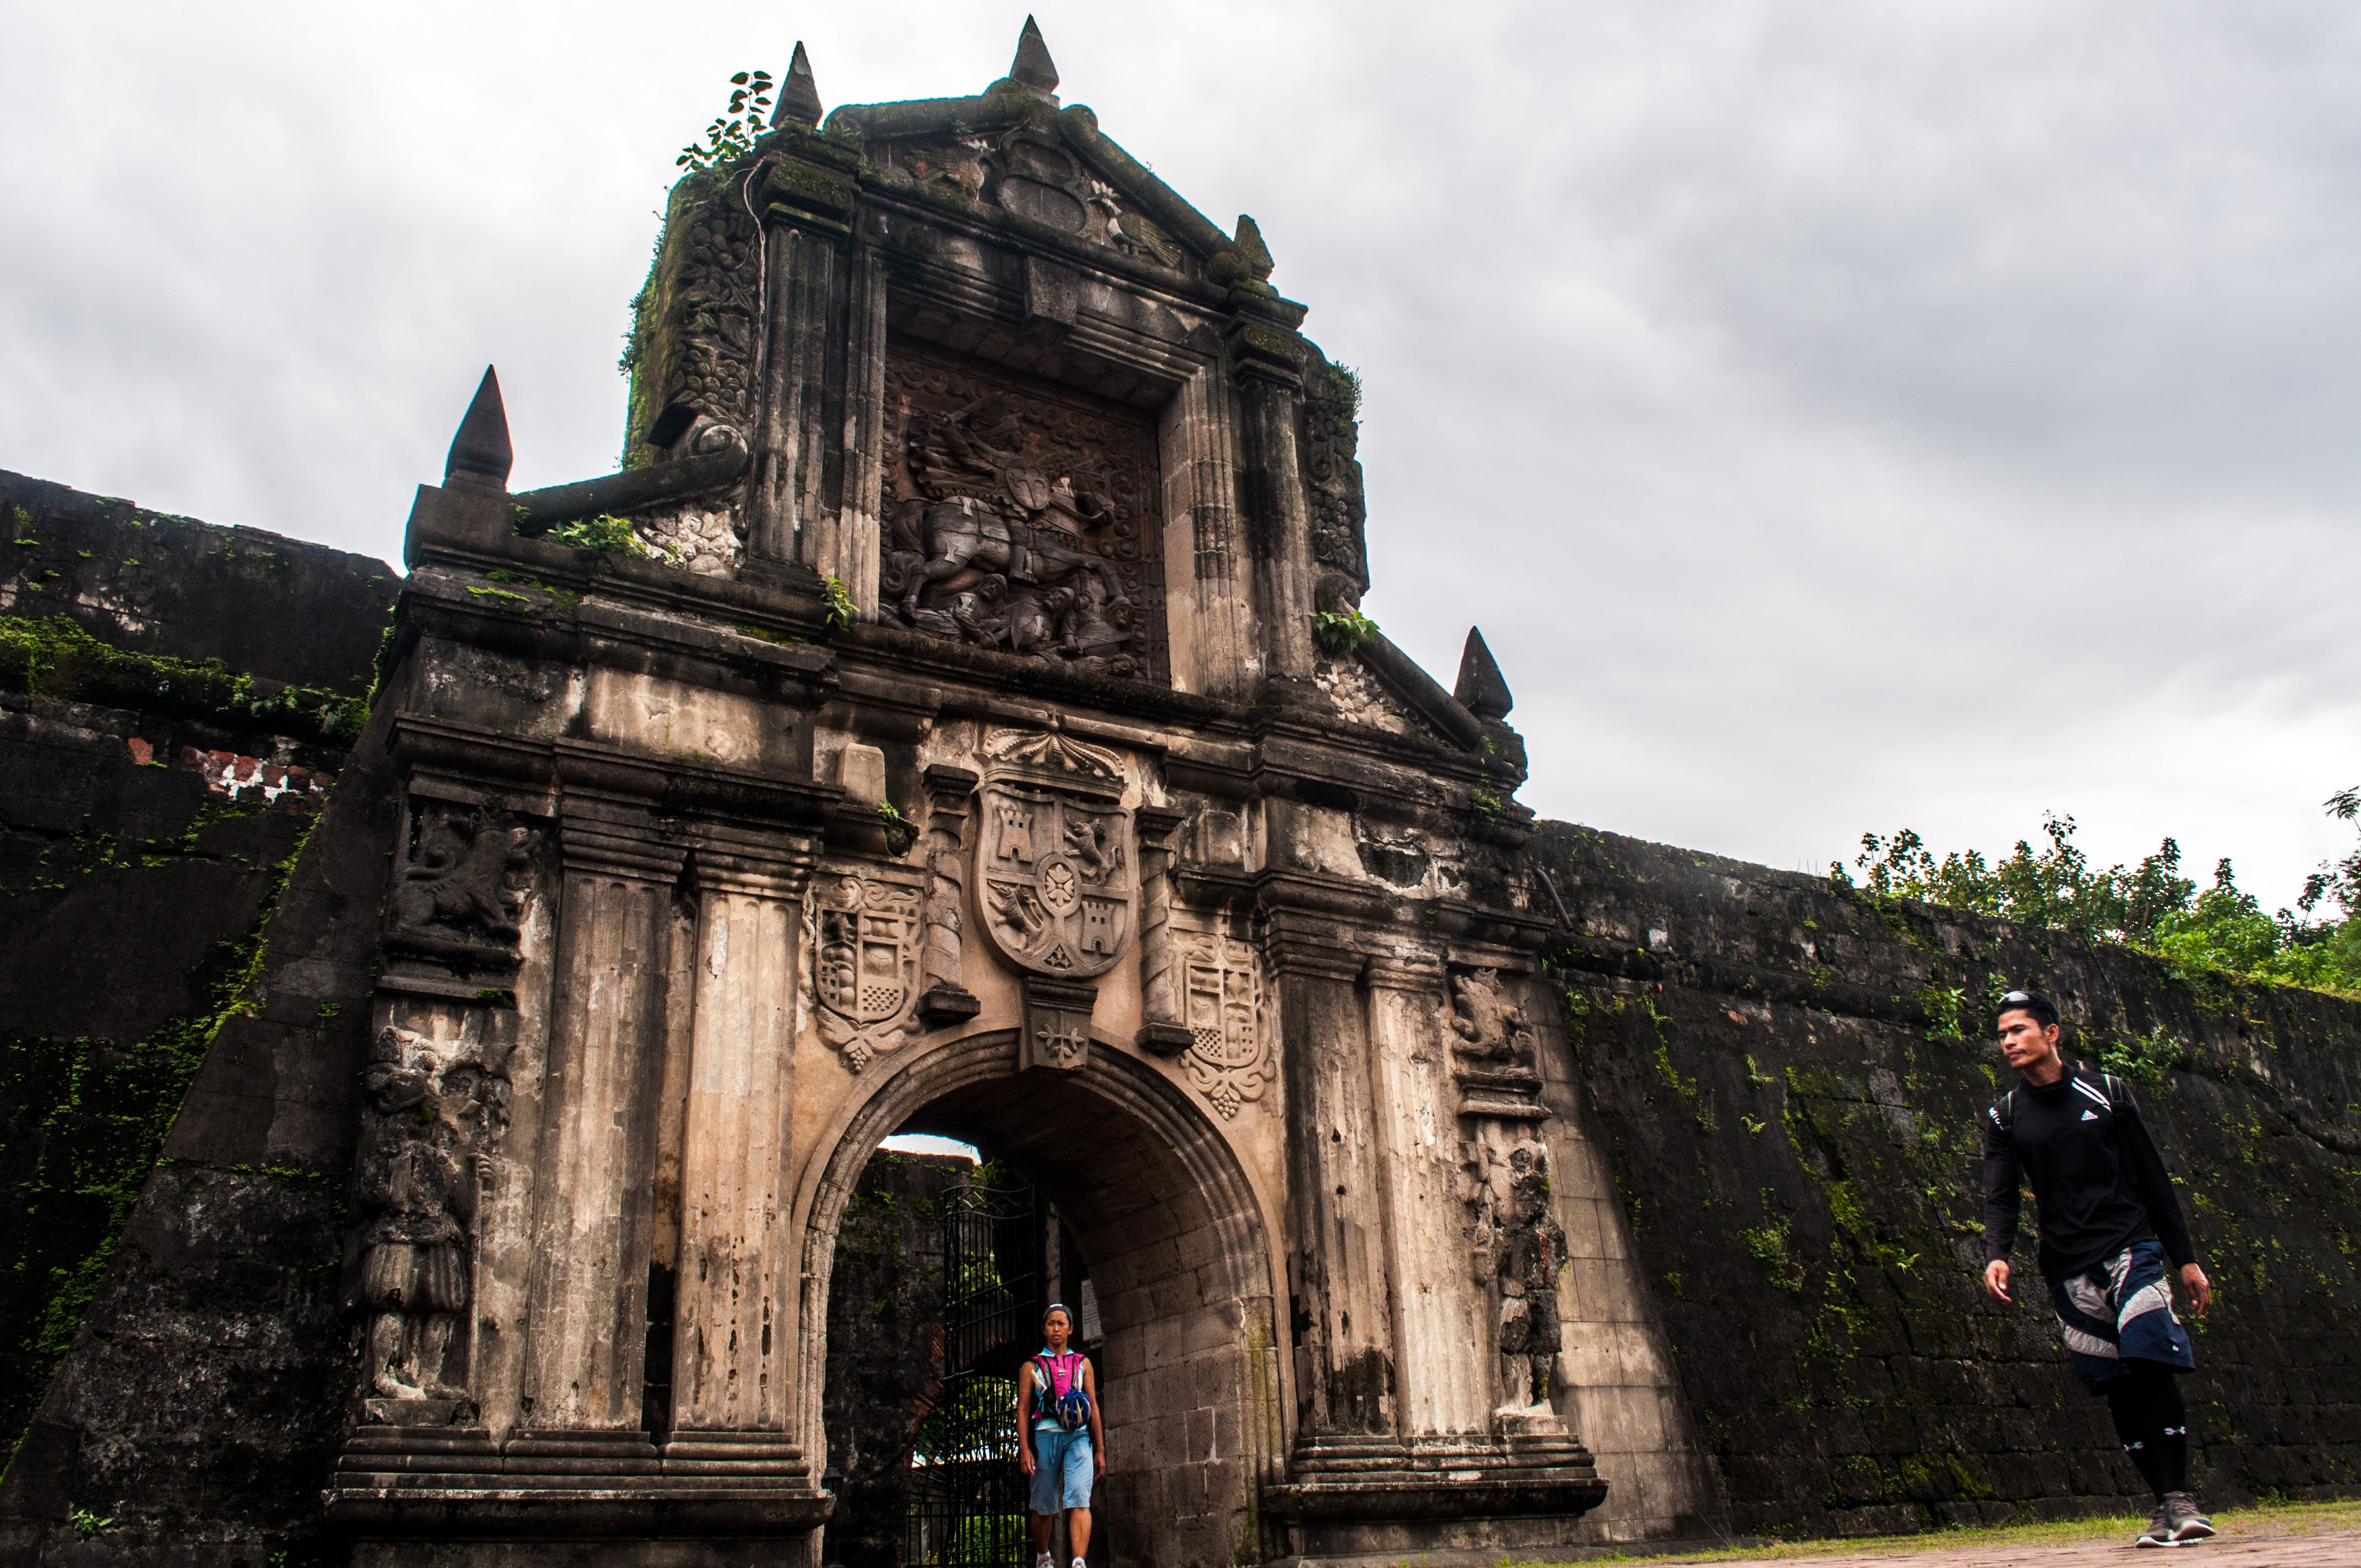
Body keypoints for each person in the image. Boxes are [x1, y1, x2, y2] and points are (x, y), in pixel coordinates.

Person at [1981, 990, 2217, 1548]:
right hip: (2066, 1266)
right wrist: (1997, 1252)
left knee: (2149, 1359)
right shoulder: (2005, 1116)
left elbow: (2152, 1178)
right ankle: (2162, 1505)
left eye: (2018, 1029)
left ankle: (2181, 1497)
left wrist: (2184, 1259)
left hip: (2130, 1248)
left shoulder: (2106, 1092)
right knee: (2115, 1383)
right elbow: (2000, 1195)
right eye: (2002, 1034)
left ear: (2052, 1033)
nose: (2009, 1041)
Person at [1018, 1303, 1103, 1568]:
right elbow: (1022, 1409)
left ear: (1071, 1329)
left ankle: (1079, 1562)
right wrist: (1024, 1449)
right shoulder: (1031, 1367)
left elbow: (1093, 1406)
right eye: (1051, 1324)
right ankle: (1044, 1557)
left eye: (1062, 1324)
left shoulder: (1083, 1364)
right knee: (1044, 1502)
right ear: (1044, 1329)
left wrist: (1100, 1449)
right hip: (1046, 1437)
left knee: (1079, 1495)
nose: (1056, 1328)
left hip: (1078, 1438)